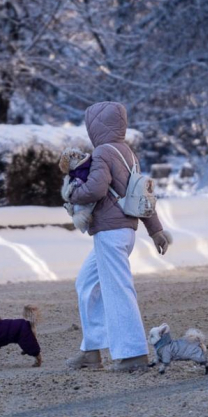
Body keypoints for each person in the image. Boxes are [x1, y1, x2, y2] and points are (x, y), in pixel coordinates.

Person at [65, 101, 172, 372]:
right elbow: (141, 195)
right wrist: (156, 231)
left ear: (96, 126)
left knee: (117, 291)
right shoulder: (128, 153)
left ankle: (133, 354)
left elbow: (96, 190)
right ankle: (91, 350)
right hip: (124, 231)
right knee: (86, 284)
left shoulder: (102, 152)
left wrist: (71, 193)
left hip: (111, 233)